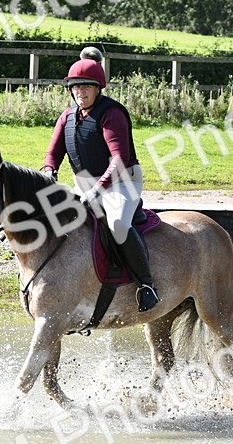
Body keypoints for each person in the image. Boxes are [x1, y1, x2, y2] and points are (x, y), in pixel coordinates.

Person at [41, 46, 159, 312]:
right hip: (85, 184)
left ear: (98, 89)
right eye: (75, 87)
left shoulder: (112, 114)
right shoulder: (67, 116)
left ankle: (146, 285)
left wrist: (96, 190)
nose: (80, 93)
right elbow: (53, 153)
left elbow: (118, 160)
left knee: (117, 224)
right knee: (53, 216)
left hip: (121, 183)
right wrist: (49, 170)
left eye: (86, 87)